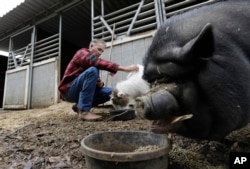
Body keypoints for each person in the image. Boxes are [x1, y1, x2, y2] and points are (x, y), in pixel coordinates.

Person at [58, 39, 139, 121]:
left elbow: (93, 85)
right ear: (91, 46)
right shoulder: (81, 53)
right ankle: (84, 112)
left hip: (79, 92)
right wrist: (125, 68)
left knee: (112, 92)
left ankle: (79, 106)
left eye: (102, 52)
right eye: (99, 49)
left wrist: (100, 84)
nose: (100, 53)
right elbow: (97, 62)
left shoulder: (94, 65)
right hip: (69, 91)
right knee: (92, 70)